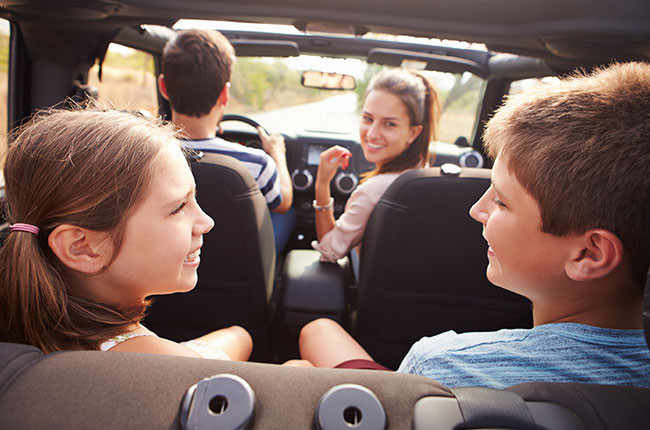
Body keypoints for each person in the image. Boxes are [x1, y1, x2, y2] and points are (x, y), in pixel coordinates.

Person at [299, 62, 650, 388]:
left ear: (589, 254)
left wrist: (322, 188)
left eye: (500, 200)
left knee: (300, 363)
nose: (474, 209)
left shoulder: (442, 365)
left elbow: (331, 250)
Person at [0, 107, 252, 361]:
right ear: (82, 247)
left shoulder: (31, 330)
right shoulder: (169, 367)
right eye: (178, 208)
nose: (206, 222)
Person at [158, 29, 295, 254]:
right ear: (225, 94)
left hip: (167, 269)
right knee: (288, 214)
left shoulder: (141, 156)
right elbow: (284, 202)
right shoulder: (258, 163)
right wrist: (277, 154)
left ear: (163, 87)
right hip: (237, 276)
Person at [312, 68, 440, 263]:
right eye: (368, 119)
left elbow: (330, 251)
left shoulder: (373, 191)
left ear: (413, 133)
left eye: (389, 124)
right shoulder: (424, 174)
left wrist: (322, 184)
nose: (371, 133)